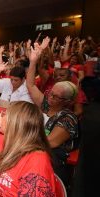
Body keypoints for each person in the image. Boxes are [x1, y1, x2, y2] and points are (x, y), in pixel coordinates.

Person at [0, 101, 57, 197]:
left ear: (14, 122)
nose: (1, 115)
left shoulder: (37, 161)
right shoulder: (3, 139)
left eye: (4, 114)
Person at [27, 38, 79, 184]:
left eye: (56, 97)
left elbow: (50, 142)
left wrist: (22, 137)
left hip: (52, 159)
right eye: (50, 93)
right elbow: (30, 84)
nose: (50, 98)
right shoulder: (46, 104)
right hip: (33, 148)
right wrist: (33, 61)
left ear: (67, 102)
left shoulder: (69, 119)